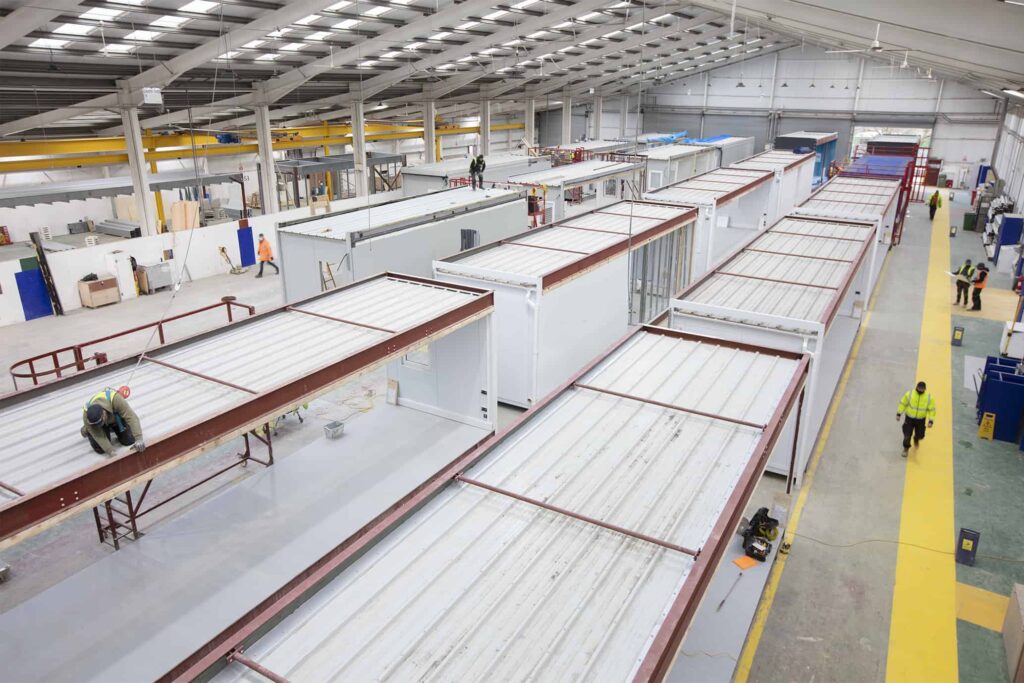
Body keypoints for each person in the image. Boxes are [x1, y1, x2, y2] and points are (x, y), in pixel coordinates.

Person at [82, 387, 144, 456]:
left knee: (129, 440)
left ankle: (110, 426)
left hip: (114, 418)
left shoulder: (115, 399)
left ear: (104, 413)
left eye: (100, 422)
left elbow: (131, 417)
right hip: (96, 426)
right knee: (101, 449)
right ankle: (87, 429)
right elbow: (97, 434)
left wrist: (139, 439)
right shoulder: (86, 415)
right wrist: (110, 451)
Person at [896, 381, 936, 457]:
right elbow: (903, 403)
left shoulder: (929, 398)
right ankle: (906, 448)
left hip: (921, 420)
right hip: (909, 419)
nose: (920, 390)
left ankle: (916, 438)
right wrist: (899, 413)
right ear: (916, 387)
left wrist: (931, 420)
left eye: (922, 389)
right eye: (919, 388)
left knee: (920, 435)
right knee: (907, 435)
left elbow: (932, 410)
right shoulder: (909, 394)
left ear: (925, 389)